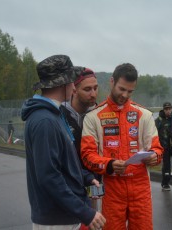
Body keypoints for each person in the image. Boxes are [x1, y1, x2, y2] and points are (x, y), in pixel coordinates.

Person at [21, 55, 105, 230]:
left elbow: (64, 162)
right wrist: (86, 213)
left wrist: (86, 177)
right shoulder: (45, 121)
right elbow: (49, 177)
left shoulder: (54, 115)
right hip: (55, 219)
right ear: (63, 83)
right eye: (72, 81)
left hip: (63, 214)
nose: (74, 86)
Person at [80, 63, 164, 230]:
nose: (125, 95)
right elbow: (87, 156)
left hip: (140, 188)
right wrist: (109, 165)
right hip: (111, 189)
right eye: (122, 89)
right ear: (112, 81)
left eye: (130, 91)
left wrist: (154, 156)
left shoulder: (144, 115)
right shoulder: (93, 117)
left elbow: (158, 149)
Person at [61, 66, 100, 230]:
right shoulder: (60, 113)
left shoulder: (99, 114)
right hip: (70, 182)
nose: (93, 94)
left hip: (94, 181)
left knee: (93, 220)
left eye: (96, 88)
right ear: (74, 89)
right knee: (72, 222)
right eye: (87, 89)